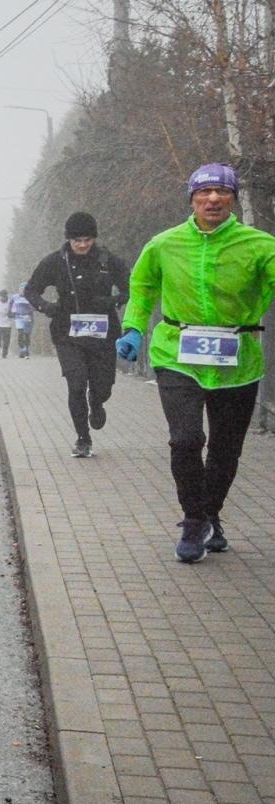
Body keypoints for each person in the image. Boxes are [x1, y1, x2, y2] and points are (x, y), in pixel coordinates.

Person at [118, 162, 275, 562]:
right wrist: (134, 328)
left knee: (225, 449)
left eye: (222, 192)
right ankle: (193, 520)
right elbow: (142, 287)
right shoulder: (164, 244)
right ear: (191, 199)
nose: (213, 199)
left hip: (237, 359)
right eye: (204, 192)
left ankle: (211, 515)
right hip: (177, 352)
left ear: (233, 198)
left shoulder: (260, 245)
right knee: (186, 440)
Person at [24, 211, 131, 459]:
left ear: (94, 238)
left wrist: (113, 301)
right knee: (76, 383)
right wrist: (48, 307)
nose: (82, 245)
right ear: (68, 240)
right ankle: (83, 438)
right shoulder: (55, 262)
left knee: (102, 386)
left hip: (103, 334)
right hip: (67, 333)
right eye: (77, 240)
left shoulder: (107, 260)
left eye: (87, 239)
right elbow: (31, 290)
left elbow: (130, 288)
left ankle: (97, 401)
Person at [10, 283, 35, 358]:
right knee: (20, 333)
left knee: (27, 334)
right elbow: (10, 303)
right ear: (19, 290)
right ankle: (21, 349)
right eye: (21, 289)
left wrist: (34, 308)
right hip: (18, 317)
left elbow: (34, 306)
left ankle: (26, 349)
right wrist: (10, 312)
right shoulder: (15, 297)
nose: (22, 291)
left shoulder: (30, 297)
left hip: (28, 317)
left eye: (24, 290)